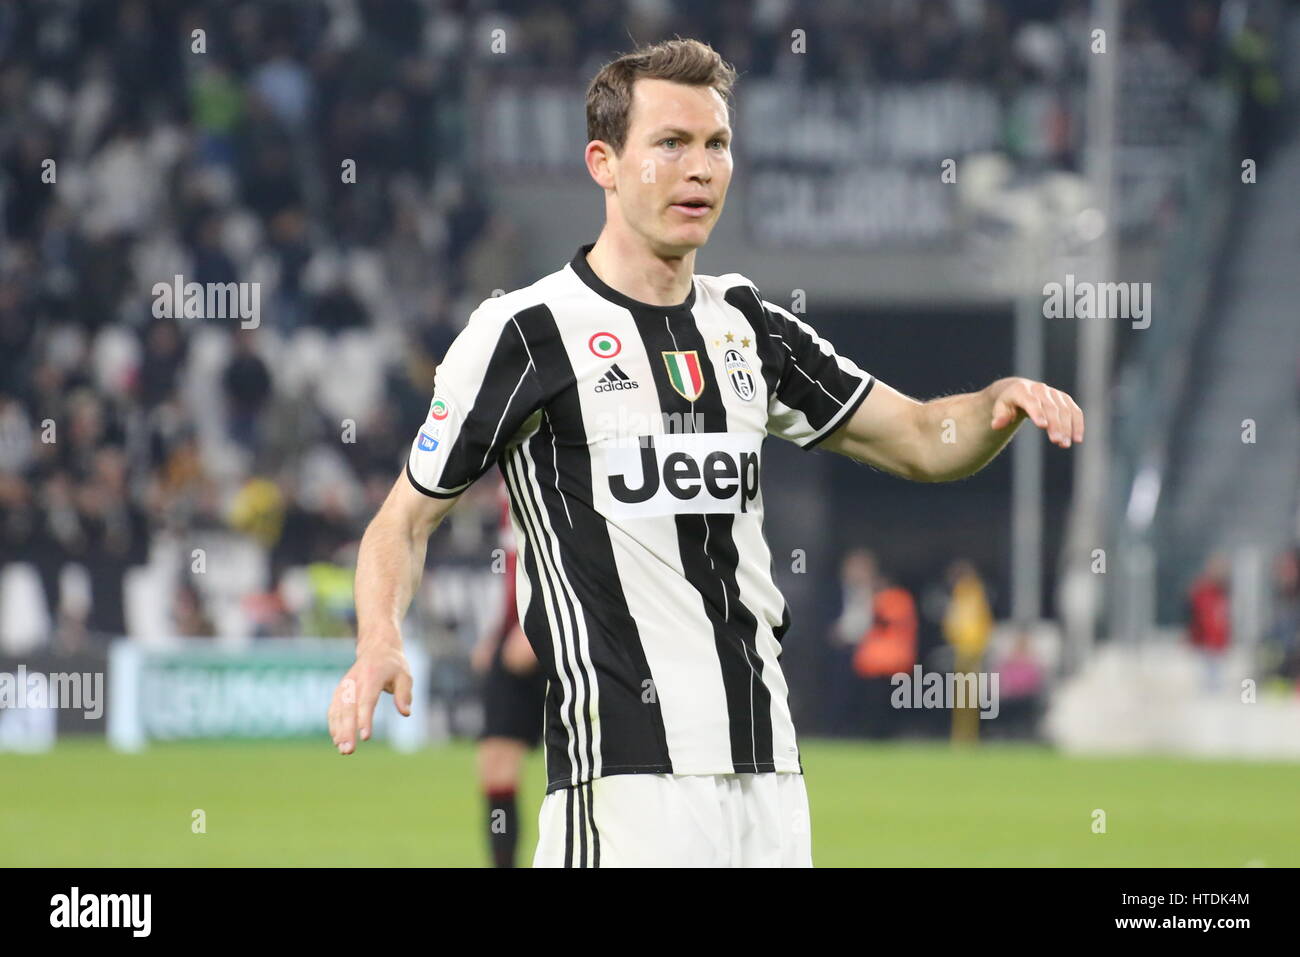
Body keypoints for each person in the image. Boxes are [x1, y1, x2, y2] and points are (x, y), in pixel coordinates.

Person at [327, 38, 1085, 868]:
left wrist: (994, 405)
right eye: (671, 144)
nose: (701, 168)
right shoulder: (525, 334)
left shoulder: (751, 326)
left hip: (768, 777)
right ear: (603, 163)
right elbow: (403, 518)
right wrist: (379, 639)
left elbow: (917, 441)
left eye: (717, 144)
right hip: (624, 785)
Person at [471, 482, 546, 868]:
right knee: (494, 761)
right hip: (515, 631)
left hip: (558, 628)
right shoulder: (507, 480)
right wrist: (499, 629)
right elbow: (517, 564)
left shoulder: (558, 456)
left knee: (595, 762)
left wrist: (540, 624)